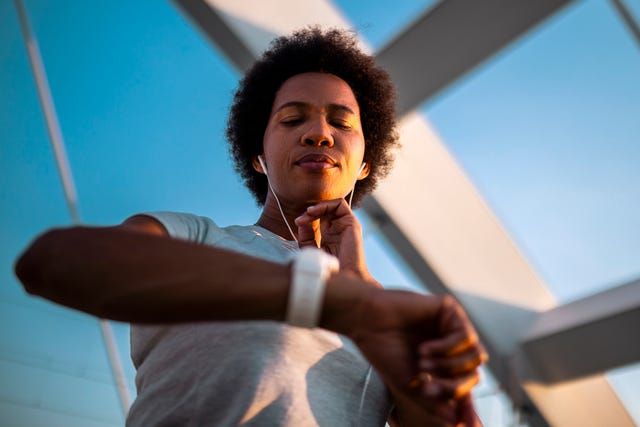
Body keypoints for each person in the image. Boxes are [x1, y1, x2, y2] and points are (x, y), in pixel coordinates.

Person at [15, 27, 487, 426]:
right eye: (292, 118)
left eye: (342, 123)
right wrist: (331, 299)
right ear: (258, 157)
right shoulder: (197, 238)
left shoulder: (387, 311)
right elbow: (54, 260)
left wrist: (377, 320)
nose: (319, 132)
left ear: (365, 162)